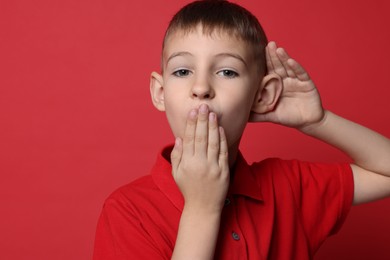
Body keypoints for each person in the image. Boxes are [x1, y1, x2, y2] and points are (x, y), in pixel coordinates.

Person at [93, 1, 390, 259]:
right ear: (160, 91)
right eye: (183, 71)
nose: (201, 88)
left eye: (227, 72)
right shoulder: (128, 211)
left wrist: (318, 122)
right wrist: (202, 208)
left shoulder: (287, 187)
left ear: (261, 96)